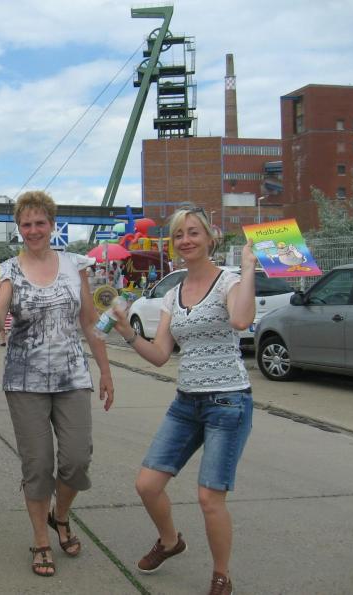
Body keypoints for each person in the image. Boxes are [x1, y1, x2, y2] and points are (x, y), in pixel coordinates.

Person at [110, 207, 255, 595]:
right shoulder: (172, 294)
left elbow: (242, 321)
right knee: (147, 485)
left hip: (228, 402)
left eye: (193, 232)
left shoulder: (229, 281)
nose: (186, 240)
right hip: (186, 403)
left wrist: (248, 267)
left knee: (209, 498)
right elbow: (160, 355)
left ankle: (221, 576)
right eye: (178, 235)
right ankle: (171, 540)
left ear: (210, 238)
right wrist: (127, 333)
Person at [0, 191, 114, 578]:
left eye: (40, 222)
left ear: (52, 225)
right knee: (38, 465)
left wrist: (105, 370)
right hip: (25, 381)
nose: (34, 230)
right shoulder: (7, 270)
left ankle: (61, 515)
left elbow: (89, 321)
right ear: (19, 228)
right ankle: (41, 539)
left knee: (76, 459)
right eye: (26, 224)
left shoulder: (75, 265)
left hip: (73, 376)